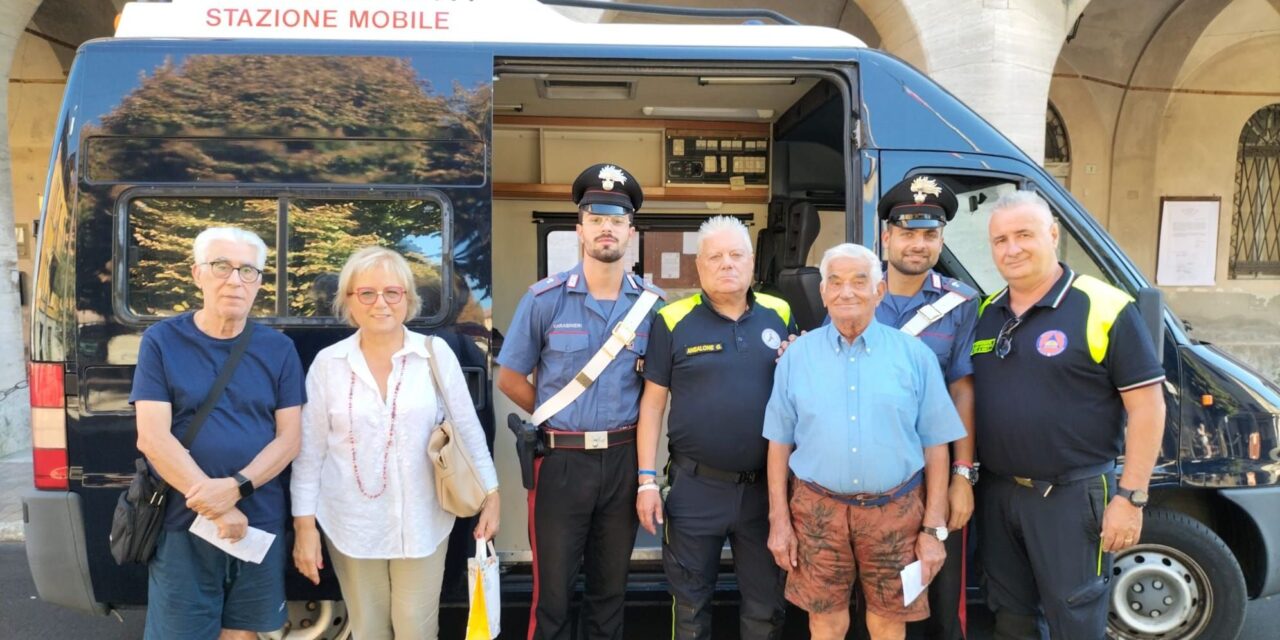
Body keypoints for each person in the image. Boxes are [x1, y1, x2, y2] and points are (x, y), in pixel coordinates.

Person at [972, 191, 1166, 639]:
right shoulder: (987, 313)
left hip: (1073, 495)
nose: (1012, 248)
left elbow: (1148, 407)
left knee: (1074, 619)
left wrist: (1131, 497)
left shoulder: (1103, 306)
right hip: (1000, 494)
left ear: (1053, 235)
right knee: (1011, 616)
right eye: (1000, 240)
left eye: (1024, 235)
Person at [291, 246, 500, 640]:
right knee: (369, 630)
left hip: (423, 521)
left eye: (392, 292)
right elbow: (309, 454)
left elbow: (468, 429)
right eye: (366, 293)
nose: (380, 303)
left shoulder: (434, 354)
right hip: (350, 523)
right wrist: (305, 528)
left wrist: (492, 493)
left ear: (408, 299)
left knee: (416, 630)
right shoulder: (328, 365)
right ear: (349, 301)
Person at [496, 163, 666, 640]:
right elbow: (510, 377)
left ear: (630, 231)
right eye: (596, 217)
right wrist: (557, 417)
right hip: (561, 463)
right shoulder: (545, 299)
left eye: (617, 218)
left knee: (610, 593)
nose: (606, 227)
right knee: (551, 595)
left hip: (623, 461)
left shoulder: (654, 307)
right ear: (580, 229)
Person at [763, 243, 966, 640]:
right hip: (817, 509)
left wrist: (933, 528)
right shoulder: (796, 357)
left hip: (897, 510)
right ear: (822, 293)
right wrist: (779, 520)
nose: (847, 292)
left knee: (889, 621)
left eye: (860, 281)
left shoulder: (915, 356)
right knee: (825, 620)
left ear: (880, 291)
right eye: (835, 282)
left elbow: (936, 445)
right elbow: (778, 443)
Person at [131, 227, 305, 640]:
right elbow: (152, 437)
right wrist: (219, 506)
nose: (235, 280)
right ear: (197, 274)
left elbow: (290, 439)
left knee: (243, 635)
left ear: (259, 282)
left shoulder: (277, 349)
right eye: (221, 266)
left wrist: (237, 489)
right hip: (180, 521)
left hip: (258, 520)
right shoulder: (161, 340)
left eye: (248, 271)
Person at [636, 215, 796, 640]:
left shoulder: (780, 313)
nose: (727, 264)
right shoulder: (671, 320)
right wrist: (646, 481)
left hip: (765, 492)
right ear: (699, 267)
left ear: (751, 263)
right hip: (694, 489)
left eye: (736, 255)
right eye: (715, 257)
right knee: (690, 609)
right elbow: (652, 405)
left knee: (766, 609)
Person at [875, 176, 979, 640]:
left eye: (929, 234)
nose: (918, 244)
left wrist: (963, 475)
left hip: (931, 476)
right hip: (869, 478)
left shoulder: (959, 303)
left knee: (940, 603)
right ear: (887, 236)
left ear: (941, 239)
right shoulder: (855, 294)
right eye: (908, 232)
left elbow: (962, 391)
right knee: (875, 601)